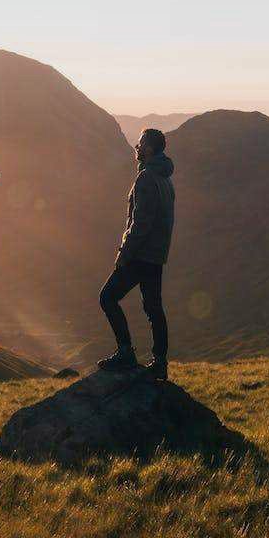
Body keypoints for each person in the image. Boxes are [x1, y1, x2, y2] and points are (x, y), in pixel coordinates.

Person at [98, 127, 174, 377]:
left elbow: (140, 223)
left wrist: (124, 253)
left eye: (140, 144)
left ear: (149, 148)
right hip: (156, 256)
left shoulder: (145, 179)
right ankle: (160, 363)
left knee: (107, 297)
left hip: (140, 254)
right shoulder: (165, 179)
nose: (137, 147)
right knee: (154, 308)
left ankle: (125, 353)